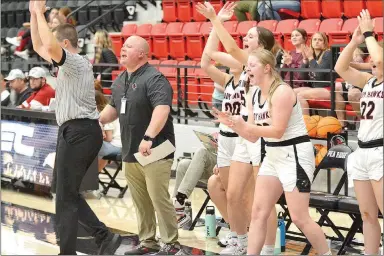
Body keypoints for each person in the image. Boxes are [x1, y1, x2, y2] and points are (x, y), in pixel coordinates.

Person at [213, 48, 331, 255]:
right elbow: (251, 136)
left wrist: (245, 126)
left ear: (267, 68)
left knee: (299, 217)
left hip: (294, 154)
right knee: (258, 213)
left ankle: (326, 253)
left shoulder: (282, 91)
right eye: (247, 65)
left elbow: (277, 130)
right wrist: (233, 123)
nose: (247, 69)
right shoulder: (253, 93)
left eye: (252, 65)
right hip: (273, 154)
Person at [29, 0, 121, 254]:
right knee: (64, 193)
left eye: (57, 45)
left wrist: (40, 12)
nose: (52, 50)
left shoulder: (76, 62)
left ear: (66, 44)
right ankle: (104, 236)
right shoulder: (68, 62)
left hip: (81, 130)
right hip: (74, 130)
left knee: (66, 197)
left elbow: (48, 44)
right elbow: (39, 45)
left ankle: (69, 250)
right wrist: (35, 15)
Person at [196, 2, 277, 254]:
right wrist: (214, 23)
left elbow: (229, 47)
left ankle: (268, 247)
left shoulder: (259, 63)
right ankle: (240, 241)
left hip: (256, 136)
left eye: (250, 36)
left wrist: (214, 19)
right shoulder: (239, 72)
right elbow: (208, 59)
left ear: (261, 45)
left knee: (257, 200)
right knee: (233, 195)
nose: (245, 38)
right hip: (234, 137)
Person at [99, 35, 181, 255]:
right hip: (130, 151)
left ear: (142, 53)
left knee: (158, 197)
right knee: (140, 200)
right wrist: (96, 121)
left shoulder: (155, 79)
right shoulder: (120, 80)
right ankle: (148, 241)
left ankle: (172, 243)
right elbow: (112, 110)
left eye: (129, 46)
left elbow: (161, 109)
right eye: (123, 45)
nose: (123, 48)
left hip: (156, 148)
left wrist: (148, 137)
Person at [335, 9, 383, 255]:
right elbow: (340, 67)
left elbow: (381, 60)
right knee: (367, 214)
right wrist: (355, 41)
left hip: (380, 150)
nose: (374, 64)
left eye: (377, 61)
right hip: (362, 150)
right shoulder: (369, 81)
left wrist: (369, 33)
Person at [173, 145, 217, 228]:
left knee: (202, 151)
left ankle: (179, 203)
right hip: (216, 163)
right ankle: (178, 210)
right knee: (183, 164)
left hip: (228, 167)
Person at [95, 90, 122, 172]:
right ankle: (95, 173)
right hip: (120, 145)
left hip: (116, 146)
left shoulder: (104, 115)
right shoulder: (110, 111)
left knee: (91, 147)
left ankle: (92, 174)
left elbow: (109, 138)